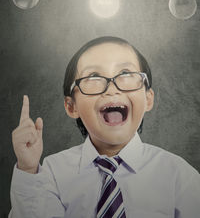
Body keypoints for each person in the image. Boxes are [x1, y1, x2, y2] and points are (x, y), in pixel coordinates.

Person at [9, 36, 200, 218]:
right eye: (93, 77)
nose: (111, 88)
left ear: (148, 99)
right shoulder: (52, 172)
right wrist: (27, 168)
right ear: (71, 106)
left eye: (125, 73)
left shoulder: (178, 175)